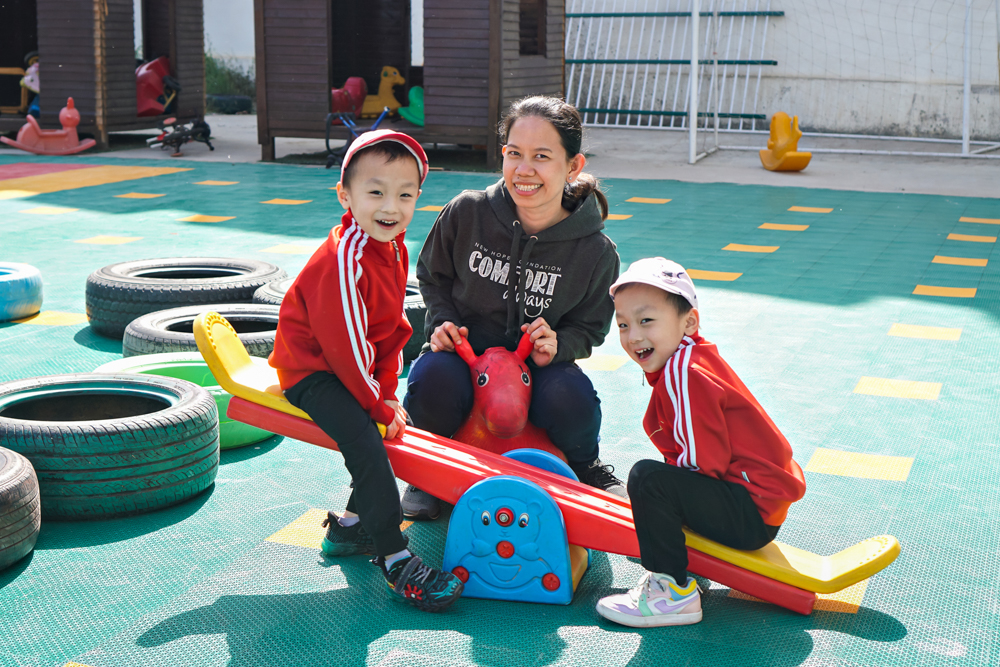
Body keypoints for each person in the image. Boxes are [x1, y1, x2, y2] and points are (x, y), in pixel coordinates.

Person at [402, 96, 625, 520]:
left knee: (571, 398)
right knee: (430, 379)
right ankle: (427, 473)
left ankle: (584, 466)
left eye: (542, 157)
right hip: (463, 354)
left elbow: (591, 328)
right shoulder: (467, 212)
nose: (524, 170)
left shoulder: (595, 252)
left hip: (536, 366)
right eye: (514, 154)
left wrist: (557, 345)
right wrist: (443, 322)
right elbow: (434, 277)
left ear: (572, 166)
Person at [268, 129, 463, 612]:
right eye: (375, 192)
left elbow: (390, 331)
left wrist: (389, 393)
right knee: (367, 441)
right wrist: (376, 403)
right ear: (346, 195)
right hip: (313, 370)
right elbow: (348, 347)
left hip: (349, 366)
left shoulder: (393, 248)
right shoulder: (345, 259)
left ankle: (350, 529)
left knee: (388, 432)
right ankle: (395, 559)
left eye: (404, 195)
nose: (390, 207)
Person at [595, 258, 807, 627]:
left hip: (747, 513)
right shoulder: (692, 358)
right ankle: (671, 570)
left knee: (647, 478)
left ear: (688, 322)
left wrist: (662, 517)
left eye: (647, 321)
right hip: (757, 507)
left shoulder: (682, 371)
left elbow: (699, 463)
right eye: (624, 325)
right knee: (657, 483)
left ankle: (671, 593)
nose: (634, 336)